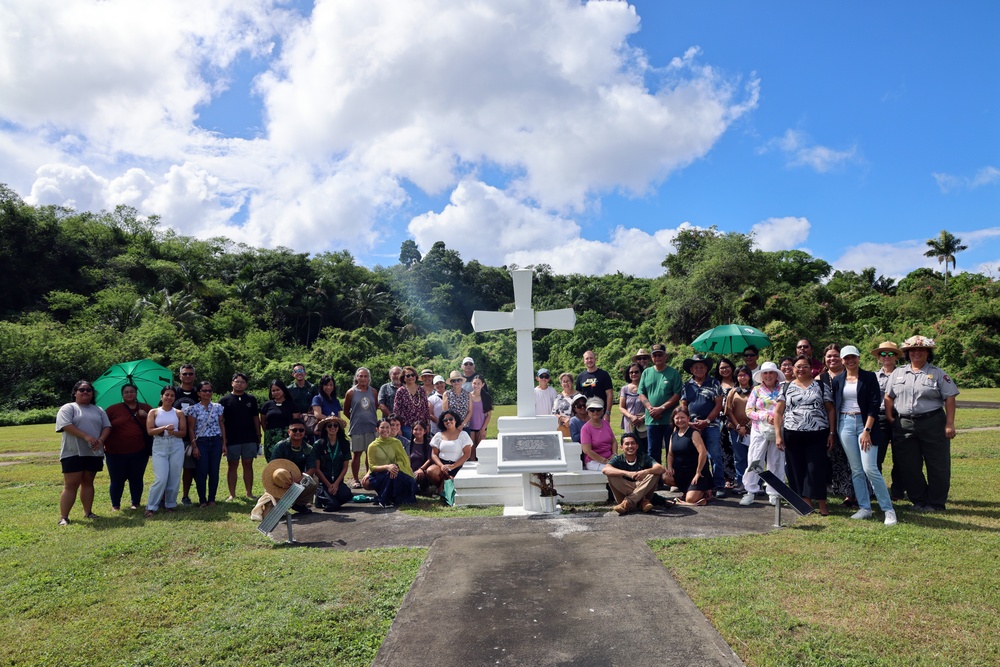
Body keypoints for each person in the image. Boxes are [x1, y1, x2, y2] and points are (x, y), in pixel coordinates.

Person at [884, 335, 959, 512]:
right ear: (907, 353)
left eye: (921, 350)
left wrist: (950, 423)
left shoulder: (938, 374)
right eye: (912, 350)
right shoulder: (898, 373)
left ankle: (936, 503)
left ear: (927, 353)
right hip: (904, 424)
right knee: (909, 465)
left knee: (937, 465)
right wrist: (890, 417)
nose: (916, 353)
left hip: (932, 422)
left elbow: (950, 398)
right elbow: (889, 396)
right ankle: (918, 500)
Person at [833, 346, 896, 526]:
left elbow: (875, 404)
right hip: (845, 424)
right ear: (842, 360)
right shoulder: (838, 380)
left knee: (870, 468)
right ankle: (864, 508)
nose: (850, 361)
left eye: (853, 357)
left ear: (858, 358)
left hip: (865, 424)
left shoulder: (869, 377)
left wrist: (867, 430)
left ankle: (888, 509)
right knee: (856, 469)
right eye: (846, 358)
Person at [775, 355, 835, 516]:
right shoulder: (786, 387)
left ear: (811, 368)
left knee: (816, 468)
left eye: (805, 366)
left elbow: (830, 409)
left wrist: (831, 433)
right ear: (793, 369)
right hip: (792, 434)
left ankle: (821, 502)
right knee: (796, 469)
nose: (801, 369)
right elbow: (778, 412)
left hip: (817, 433)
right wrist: (778, 435)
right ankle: (805, 501)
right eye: (798, 366)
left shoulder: (821, 386)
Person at [55, 380, 111, 525]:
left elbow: (107, 427)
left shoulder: (98, 410)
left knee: (88, 482)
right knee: (71, 484)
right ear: (75, 393)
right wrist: (86, 437)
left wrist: (100, 440)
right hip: (73, 452)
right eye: (82, 390)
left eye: (88, 390)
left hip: (93, 453)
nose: (85, 392)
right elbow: (65, 425)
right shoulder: (68, 408)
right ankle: (64, 517)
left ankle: (88, 512)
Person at [680, 353, 727, 498]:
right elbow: (684, 405)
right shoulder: (687, 385)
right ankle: (700, 484)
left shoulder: (714, 383)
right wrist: (688, 422)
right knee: (696, 456)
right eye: (696, 367)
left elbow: (719, 405)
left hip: (711, 425)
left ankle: (719, 485)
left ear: (706, 368)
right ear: (691, 369)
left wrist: (706, 421)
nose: (699, 369)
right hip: (692, 426)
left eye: (701, 367)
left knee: (715, 455)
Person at [741, 362, 785, 507]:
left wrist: (780, 418)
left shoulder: (783, 388)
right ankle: (750, 491)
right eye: (765, 373)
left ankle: (774, 492)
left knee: (776, 460)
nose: (768, 376)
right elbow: (749, 411)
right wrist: (764, 416)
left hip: (778, 429)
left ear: (776, 374)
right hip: (759, 429)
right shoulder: (757, 390)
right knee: (755, 458)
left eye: (771, 373)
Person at [104, 384, 151, 511]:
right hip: (114, 452)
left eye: (132, 391)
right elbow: (103, 425)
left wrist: (147, 415)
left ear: (136, 393)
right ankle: (115, 505)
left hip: (139, 451)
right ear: (122, 395)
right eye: (126, 392)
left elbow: (156, 423)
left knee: (136, 478)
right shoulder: (113, 409)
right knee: (117, 479)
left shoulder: (146, 408)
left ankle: (135, 503)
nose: (129, 394)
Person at [819, 344, 855, 508]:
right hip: (827, 424)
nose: (832, 359)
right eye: (829, 356)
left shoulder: (851, 375)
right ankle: (842, 490)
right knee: (836, 459)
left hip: (850, 421)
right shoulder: (820, 378)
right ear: (824, 359)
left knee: (852, 459)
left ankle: (853, 495)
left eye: (836, 356)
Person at [145, 385, 187, 517]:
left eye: (172, 395)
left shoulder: (178, 413)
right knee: (161, 478)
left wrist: (173, 432)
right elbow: (150, 431)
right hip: (159, 445)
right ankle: (151, 506)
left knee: (174, 477)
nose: (169, 397)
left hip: (176, 445)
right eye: (166, 395)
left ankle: (170, 504)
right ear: (161, 396)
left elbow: (183, 432)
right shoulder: (154, 412)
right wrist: (163, 428)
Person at [638, 344, 683, 463]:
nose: (657, 357)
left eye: (660, 355)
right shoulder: (646, 373)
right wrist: (650, 408)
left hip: (669, 419)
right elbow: (641, 393)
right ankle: (656, 479)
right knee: (653, 451)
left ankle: (672, 477)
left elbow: (677, 394)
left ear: (665, 356)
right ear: (651, 357)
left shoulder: (673, 373)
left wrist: (662, 408)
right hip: (652, 419)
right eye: (654, 355)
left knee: (671, 449)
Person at [219, 372, 261, 500]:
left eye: (242, 382)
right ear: (232, 383)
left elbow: (255, 418)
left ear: (246, 384)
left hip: (249, 437)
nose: (239, 384)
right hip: (232, 438)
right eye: (237, 381)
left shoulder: (251, 399)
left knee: (248, 464)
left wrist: (258, 435)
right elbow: (221, 421)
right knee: (233, 465)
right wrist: (223, 440)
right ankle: (232, 494)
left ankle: (249, 492)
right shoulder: (224, 400)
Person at [872, 341, 905, 499]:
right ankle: (877, 490)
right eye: (883, 354)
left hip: (899, 417)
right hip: (880, 417)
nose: (886, 357)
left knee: (900, 456)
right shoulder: (874, 376)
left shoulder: (903, 374)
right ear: (878, 357)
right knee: (877, 456)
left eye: (890, 354)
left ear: (896, 356)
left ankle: (898, 491)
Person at [186, 380, 226, 508]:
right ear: (199, 393)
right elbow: (191, 429)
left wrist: (224, 443)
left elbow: (221, 425)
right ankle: (202, 499)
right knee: (201, 472)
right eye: (204, 390)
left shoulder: (218, 407)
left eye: (209, 390)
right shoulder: (193, 409)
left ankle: (212, 499)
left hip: (215, 441)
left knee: (214, 471)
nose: (207, 393)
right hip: (201, 442)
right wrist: (194, 446)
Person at [603, 432, 665, 515]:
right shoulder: (618, 459)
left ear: (637, 446)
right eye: (627, 444)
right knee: (611, 475)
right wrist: (627, 473)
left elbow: (661, 468)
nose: (630, 446)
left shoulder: (643, 457)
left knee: (653, 473)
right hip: (624, 493)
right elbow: (605, 469)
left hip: (640, 489)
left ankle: (627, 503)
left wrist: (645, 471)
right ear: (621, 447)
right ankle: (642, 501)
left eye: (633, 443)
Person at [663, 406, 713, 505]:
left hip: (696, 473)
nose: (680, 420)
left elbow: (703, 453)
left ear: (688, 418)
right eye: (677, 418)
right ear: (673, 419)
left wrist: (698, 472)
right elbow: (670, 454)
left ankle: (701, 492)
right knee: (665, 477)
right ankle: (689, 491)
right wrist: (669, 467)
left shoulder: (693, 433)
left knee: (690, 499)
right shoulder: (674, 435)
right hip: (682, 472)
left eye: (682, 417)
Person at [269, 418, 319, 513]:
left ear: (304, 432)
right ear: (289, 431)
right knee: (271, 513)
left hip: (298, 479)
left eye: (301, 430)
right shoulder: (280, 446)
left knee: (314, 480)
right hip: (279, 479)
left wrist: (297, 481)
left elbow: (312, 468)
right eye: (294, 430)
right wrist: (283, 480)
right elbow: (272, 466)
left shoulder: (308, 448)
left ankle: (299, 504)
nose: (298, 432)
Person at [366, 419, 417, 507]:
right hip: (379, 474)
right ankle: (386, 499)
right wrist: (387, 467)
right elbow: (372, 466)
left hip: (396, 470)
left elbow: (403, 459)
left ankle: (393, 498)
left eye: (387, 427)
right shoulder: (372, 446)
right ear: (377, 429)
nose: (385, 430)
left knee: (409, 480)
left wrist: (395, 466)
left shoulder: (396, 442)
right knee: (389, 476)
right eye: (382, 427)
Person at [343, 367, 378, 488]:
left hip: (372, 427)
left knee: (370, 454)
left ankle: (369, 477)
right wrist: (355, 419)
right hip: (357, 427)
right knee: (356, 454)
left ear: (369, 378)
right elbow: (346, 410)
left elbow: (376, 407)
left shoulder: (373, 391)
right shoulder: (351, 392)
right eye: (360, 376)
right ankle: (356, 479)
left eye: (365, 376)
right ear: (356, 377)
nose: (363, 378)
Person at [724, 364, 754, 495]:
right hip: (736, 430)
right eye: (740, 375)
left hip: (753, 429)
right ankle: (741, 482)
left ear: (749, 376)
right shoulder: (733, 392)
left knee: (754, 457)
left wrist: (747, 426)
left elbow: (759, 409)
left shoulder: (756, 390)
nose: (742, 377)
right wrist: (738, 427)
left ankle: (755, 483)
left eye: (745, 374)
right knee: (739, 457)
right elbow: (729, 411)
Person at [313, 416, 353, 511]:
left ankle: (328, 498)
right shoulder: (318, 444)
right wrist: (328, 485)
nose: (332, 427)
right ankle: (321, 497)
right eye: (329, 425)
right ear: (325, 428)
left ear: (339, 428)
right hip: (323, 482)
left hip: (337, 481)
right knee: (333, 506)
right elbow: (317, 469)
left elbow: (345, 467)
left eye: (335, 425)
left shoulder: (344, 444)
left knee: (347, 495)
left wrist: (335, 484)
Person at [427, 410, 473, 490]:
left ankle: (445, 486)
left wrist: (453, 466)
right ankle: (440, 485)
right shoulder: (438, 435)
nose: (448, 421)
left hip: (457, 464)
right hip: (442, 464)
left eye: (451, 419)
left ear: (455, 420)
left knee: (455, 483)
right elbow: (434, 454)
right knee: (431, 471)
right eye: (445, 420)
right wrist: (442, 466)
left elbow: (467, 454)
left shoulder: (463, 435)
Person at [175, 364, 199, 507]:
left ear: (194, 376)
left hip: (193, 438)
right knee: (171, 469)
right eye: (185, 374)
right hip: (175, 436)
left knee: (189, 468)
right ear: (180, 376)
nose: (187, 376)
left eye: (190, 374)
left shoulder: (199, 393)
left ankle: (185, 496)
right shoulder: (173, 392)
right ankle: (165, 498)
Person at [714, 357, 737, 487]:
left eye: (727, 367)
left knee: (738, 449)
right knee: (724, 450)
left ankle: (741, 477)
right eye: (721, 368)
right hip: (720, 421)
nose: (725, 370)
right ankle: (727, 478)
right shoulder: (716, 383)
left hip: (738, 420)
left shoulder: (738, 382)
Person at [261, 379, 297, 461]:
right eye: (273, 391)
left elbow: (296, 422)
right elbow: (263, 422)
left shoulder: (291, 405)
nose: (275, 392)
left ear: (283, 390)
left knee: (287, 461)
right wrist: (268, 433)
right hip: (270, 438)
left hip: (287, 436)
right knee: (272, 462)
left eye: (278, 390)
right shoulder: (267, 405)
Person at [393, 365, 430, 441]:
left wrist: (427, 424)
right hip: (406, 426)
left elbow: (426, 408)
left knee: (421, 448)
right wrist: (398, 428)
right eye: (408, 375)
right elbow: (396, 411)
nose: (410, 377)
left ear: (415, 376)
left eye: (412, 375)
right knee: (409, 449)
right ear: (404, 378)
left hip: (421, 426)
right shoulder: (401, 391)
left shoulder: (422, 390)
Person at [618, 363, 648, 457]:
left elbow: (652, 405)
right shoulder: (624, 389)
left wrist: (643, 418)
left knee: (644, 447)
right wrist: (631, 417)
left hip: (644, 423)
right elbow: (621, 407)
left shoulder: (646, 388)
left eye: (636, 372)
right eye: (631, 372)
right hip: (629, 422)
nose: (633, 374)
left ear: (641, 373)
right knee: (630, 447)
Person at [581, 397, 617, 471]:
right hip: (594, 462)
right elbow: (587, 450)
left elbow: (614, 441)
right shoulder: (585, 429)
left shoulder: (606, 424)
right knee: (616, 471)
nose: (595, 412)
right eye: (592, 410)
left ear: (602, 410)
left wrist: (614, 454)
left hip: (610, 459)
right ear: (587, 411)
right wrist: (605, 461)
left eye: (598, 409)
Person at [576, 350, 613, 422]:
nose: (589, 360)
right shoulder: (580, 377)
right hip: (586, 414)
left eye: (591, 358)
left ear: (595, 359)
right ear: (584, 361)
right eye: (587, 358)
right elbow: (578, 397)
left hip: (600, 412)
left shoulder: (604, 374)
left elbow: (610, 394)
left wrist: (607, 413)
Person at [466, 374, 493, 460]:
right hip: (470, 427)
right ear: (471, 384)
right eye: (474, 383)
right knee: (471, 449)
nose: (476, 386)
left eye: (478, 383)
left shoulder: (486, 397)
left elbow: (489, 415)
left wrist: (483, 429)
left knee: (481, 449)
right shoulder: (467, 396)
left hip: (481, 427)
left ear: (483, 385)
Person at [408, 421, 435, 494]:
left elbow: (430, 459)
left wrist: (421, 469)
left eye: (420, 429)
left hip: (424, 471)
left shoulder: (429, 443)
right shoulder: (409, 443)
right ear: (412, 431)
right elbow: (406, 458)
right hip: (411, 471)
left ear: (425, 431)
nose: (418, 431)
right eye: (415, 429)